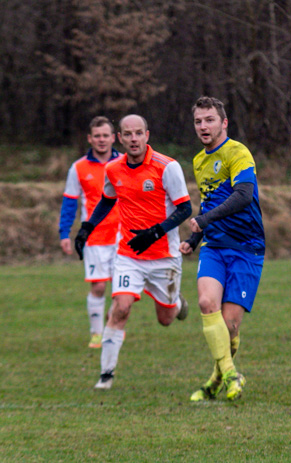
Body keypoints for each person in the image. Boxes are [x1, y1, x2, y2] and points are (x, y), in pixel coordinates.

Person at [74, 114, 191, 390]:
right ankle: (106, 374)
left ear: (147, 135)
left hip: (164, 256)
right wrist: (86, 227)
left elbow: (185, 209)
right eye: (128, 134)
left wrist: (156, 232)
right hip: (128, 255)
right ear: (120, 138)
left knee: (164, 320)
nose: (134, 139)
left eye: (138, 133)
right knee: (121, 307)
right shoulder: (114, 168)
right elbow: (106, 200)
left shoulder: (167, 167)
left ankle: (176, 305)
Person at [179, 96, 265, 402]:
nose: (203, 126)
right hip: (214, 246)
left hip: (246, 247)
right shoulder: (199, 160)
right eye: (198, 121)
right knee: (205, 303)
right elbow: (210, 201)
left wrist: (203, 219)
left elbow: (243, 195)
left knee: (229, 326)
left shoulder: (238, 153)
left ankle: (215, 379)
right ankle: (231, 374)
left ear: (224, 122)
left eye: (210, 120)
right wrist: (195, 238)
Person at [59, 116, 121, 348]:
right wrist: (65, 234)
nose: (102, 140)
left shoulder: (124, 163)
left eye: (106, 135)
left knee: (121, 289)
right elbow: (69, 203)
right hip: (94, 237)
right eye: (97, 136)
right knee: (98, 286)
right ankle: (96, 333)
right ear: (90, 139)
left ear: (113, 138)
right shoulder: (78, 168)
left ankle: (113, 328)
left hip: (122, 235)